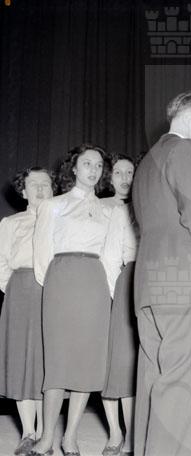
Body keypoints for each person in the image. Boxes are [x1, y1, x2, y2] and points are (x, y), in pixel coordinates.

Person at [132, 91, 191, 456]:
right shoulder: (186, 150)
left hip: (149, 282)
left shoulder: (149, 159)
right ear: (188, 117)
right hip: (183, 280)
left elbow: (168, 216)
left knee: (153, 379)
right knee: (180, 384)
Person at [29, 144, 120, 456]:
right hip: (61, 282)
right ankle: (46, 438)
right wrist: (54, 285)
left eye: (98, 165)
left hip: (94, 284)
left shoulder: (110, 212)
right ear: (74, 168)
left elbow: (111, 256)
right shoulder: (53, 205)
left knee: (85, 362)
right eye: (87, 164)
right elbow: (42, 254)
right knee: (57, 361)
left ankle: (70, 437)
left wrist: (108, 293)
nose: (93, 170)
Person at [0, 167, 54, 455]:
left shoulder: (60, 221)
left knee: (46, 362)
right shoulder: (11, 223)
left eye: (46, 184)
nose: (41, 189)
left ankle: (46, 433)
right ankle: (28, 433)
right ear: (23, 191)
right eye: (35, 185)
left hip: (53, 291)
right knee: (22, 360)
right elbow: (1, 262)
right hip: (21, 290)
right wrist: (15, 289)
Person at [100, 155, 138, 456]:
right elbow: (110, 258)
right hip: (111, 288)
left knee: (130, 362)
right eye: (118, 172)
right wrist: (117, 295)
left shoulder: (143, 206)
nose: (125, 178)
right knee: (109, 362)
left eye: (130, 172)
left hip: (141, 284)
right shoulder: (104, 208)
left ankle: (134, 433)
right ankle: (115, 431)